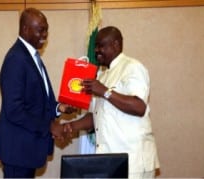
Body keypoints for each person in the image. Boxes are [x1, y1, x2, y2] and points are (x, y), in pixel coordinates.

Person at [64, 26, 160, 178]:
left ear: (116, 45)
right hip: (110, 161)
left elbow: (139, 106)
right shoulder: (102, 75)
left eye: (101, 46)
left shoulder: (132, 67)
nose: (96, 51)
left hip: (133, 161)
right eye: (96, 46)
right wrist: (69, 127)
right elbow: (96, 117)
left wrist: (105, 91)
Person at [0, 8, 76, 178]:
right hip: (18, 150)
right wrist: (50, 126)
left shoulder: (31, 57)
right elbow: (14, 110)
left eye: (46, 29)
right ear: (25, 29)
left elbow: (38, 102)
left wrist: (60, 107)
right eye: (41, 29)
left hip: (26, 149)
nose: (45, 34)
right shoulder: (16, 59)